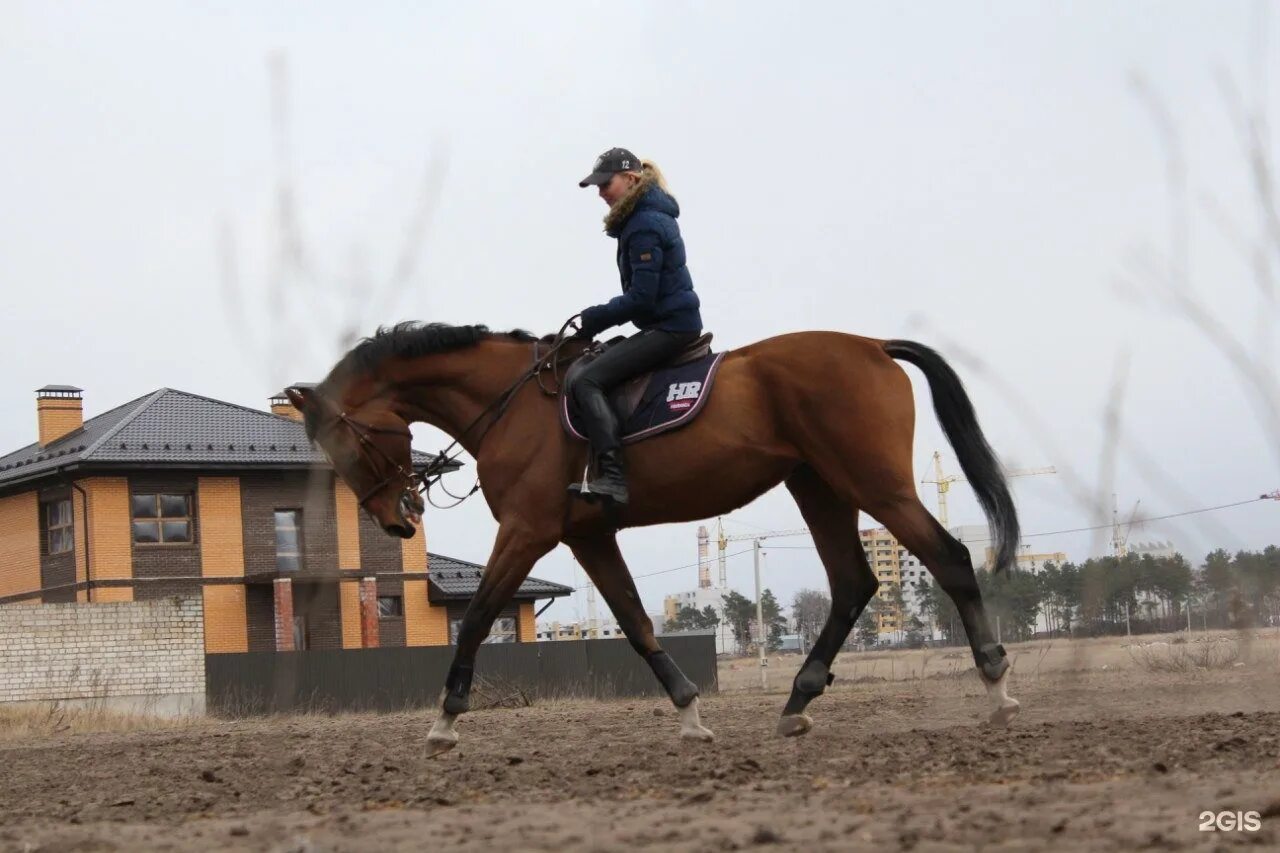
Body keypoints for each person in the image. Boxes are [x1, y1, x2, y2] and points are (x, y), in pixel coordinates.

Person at [572, 147, 703, 505]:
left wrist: (595, 316)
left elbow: (642, 298)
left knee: (587, 379)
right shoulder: (641, 218)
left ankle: (613, 478)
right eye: (596, 187)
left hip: (671, 327)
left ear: (630, 180)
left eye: (605, 184)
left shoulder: (644, 224)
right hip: (665, 323)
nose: (600, 193)